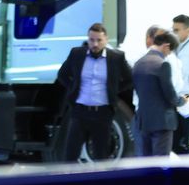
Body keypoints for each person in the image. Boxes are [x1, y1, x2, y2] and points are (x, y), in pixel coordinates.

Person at [56, 22, 134, 162]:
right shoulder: (77, 53)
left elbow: (130, 79)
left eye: (99, 40)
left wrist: (114, 91)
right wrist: (74, 88)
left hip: (103, 113)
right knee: (70, 154)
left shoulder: (116, 57)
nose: (95, 44)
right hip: (80, 111)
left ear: (106, 40)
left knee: (101, 156)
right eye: (92, 40)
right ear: (88, 39)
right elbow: (62, 74)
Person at [132, 30, 180, 157]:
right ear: (166, 46)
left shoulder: (138, 63)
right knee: (161, 162)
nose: (168, 54)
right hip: (162, 121)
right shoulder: (163, 64)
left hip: (143, 121)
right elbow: (169, 94)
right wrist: (181, 101)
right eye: (170, 51)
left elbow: (137, 90)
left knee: (147, 162)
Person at [171, 14, 189, 154]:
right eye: (173, 29)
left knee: (187, 141)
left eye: (177, 30)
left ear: (188, 30)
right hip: (176, 101)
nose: (173, 33)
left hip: (188, 101)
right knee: (175, 144)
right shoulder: (175, 47)